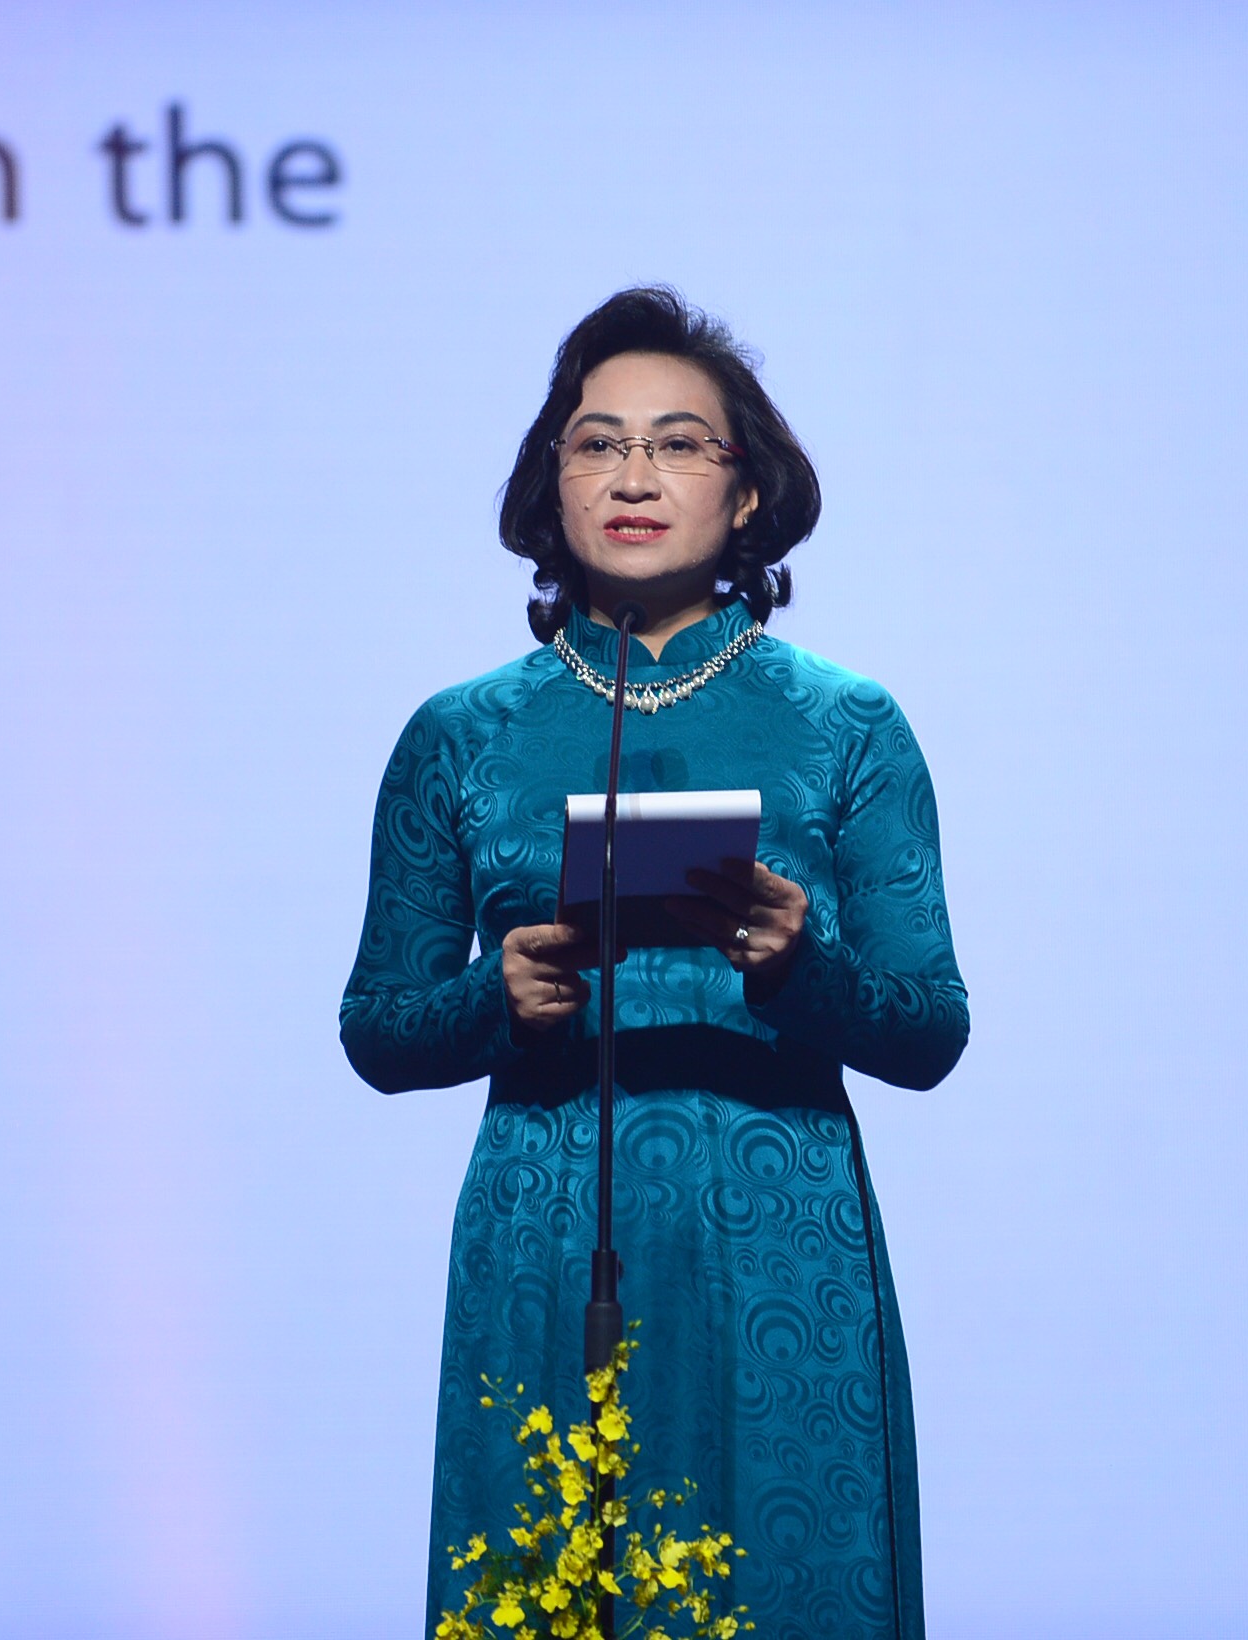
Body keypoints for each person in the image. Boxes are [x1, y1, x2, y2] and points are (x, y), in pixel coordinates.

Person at [340, 287, 967, 1639]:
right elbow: (379, 1027)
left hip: (779, 1240)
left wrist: (808, 969)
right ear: (547, 483)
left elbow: (931, 1030)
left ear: (749, 499)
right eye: (595, 442)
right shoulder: (460, 735)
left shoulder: (845, 725)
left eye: (680, 444)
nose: (632, 474)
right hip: (544, 1231)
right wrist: (491, 1003)